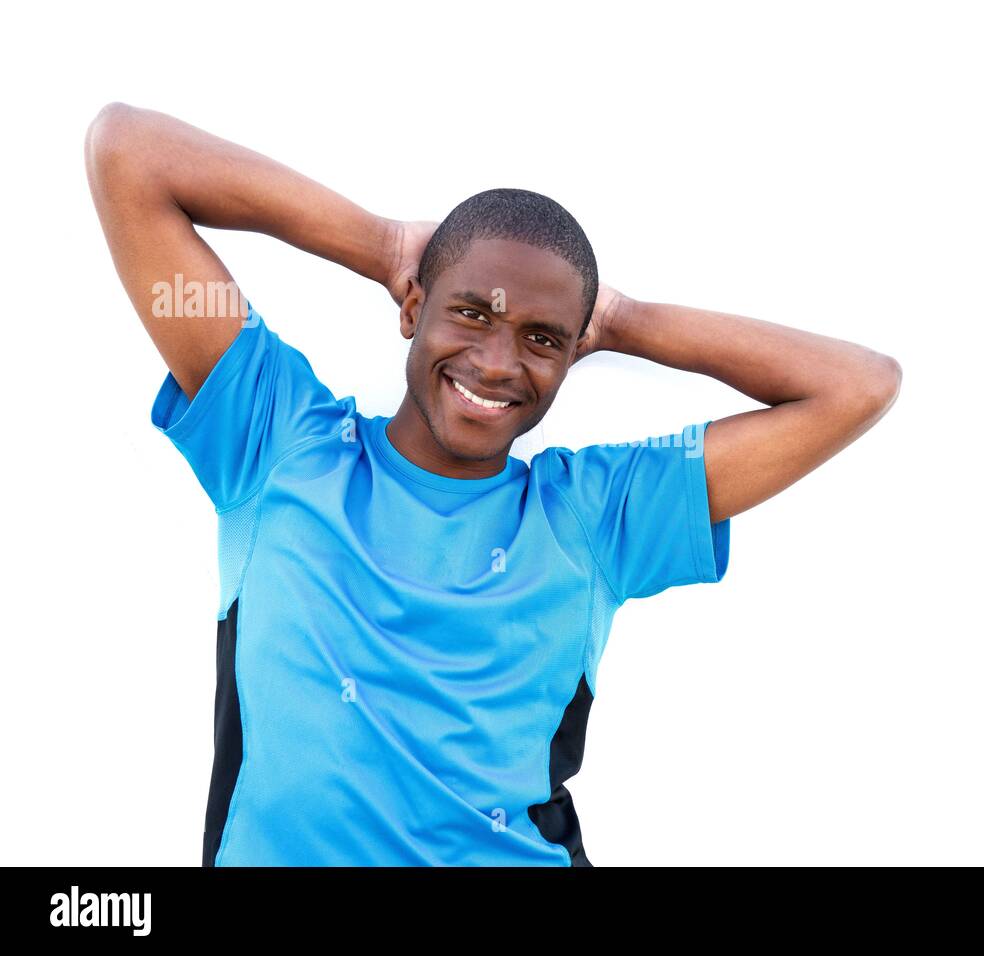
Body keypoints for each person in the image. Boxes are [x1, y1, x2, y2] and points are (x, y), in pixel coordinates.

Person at [84, 102, 903, 866]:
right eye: (471, 312)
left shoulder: (591, 516)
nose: (498, 363)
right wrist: (384, 244)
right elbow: (127, 151)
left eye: (542, 338)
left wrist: (617, 321)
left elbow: (857, 385)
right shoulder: (275, 439)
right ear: (413, 308)